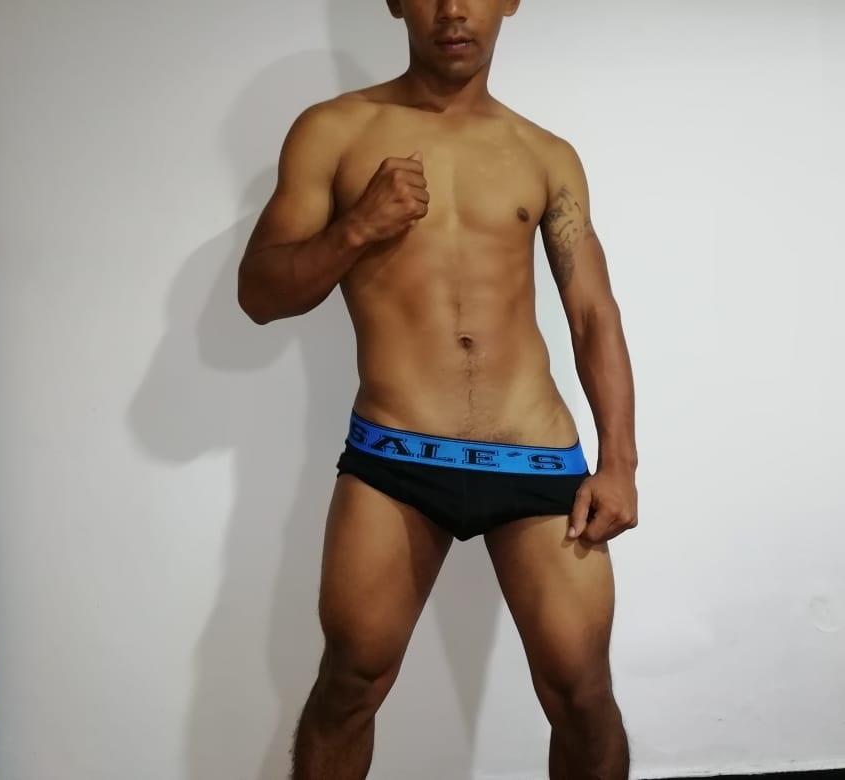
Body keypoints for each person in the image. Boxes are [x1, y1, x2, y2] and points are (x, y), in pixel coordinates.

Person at [238, 1, 638, 777]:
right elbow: (259, 294)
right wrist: (358, 226)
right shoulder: (334, 131)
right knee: (349, 686)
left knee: (583, 696)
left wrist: (619, 461)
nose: (453, 8)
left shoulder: (545, 154)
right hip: (395, 460)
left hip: (536, 459)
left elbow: (593, 314)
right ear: (395, 1)